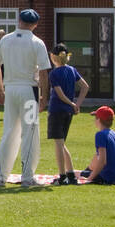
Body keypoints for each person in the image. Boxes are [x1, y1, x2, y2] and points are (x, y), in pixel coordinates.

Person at [0, 8, 51, 188]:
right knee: (30, 134)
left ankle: (1, 176)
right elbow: (43, 73)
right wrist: (44, 97)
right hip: (29, 90)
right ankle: (27, 177)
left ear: (19, 21)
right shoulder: (37, 42)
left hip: (10, 89)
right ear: (35, 25)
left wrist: (0, 90)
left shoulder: (6, 40)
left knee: (9, 132)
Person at [47, 44, 90, 184]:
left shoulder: (54, 74)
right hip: (68, 112)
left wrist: (72, 104)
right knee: (61, 142)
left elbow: (59, 94)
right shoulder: (72, 70)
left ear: (53, 57)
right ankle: (70, 174)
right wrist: (77, 104)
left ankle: (62, 176)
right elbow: (85, 86)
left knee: (59, 144)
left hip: (57, 110)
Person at [82, 106, 115, 185]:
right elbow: (97, 157)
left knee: (76, 174)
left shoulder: (100, 135)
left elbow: (102, 161)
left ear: (98, 120)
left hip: (111, 176)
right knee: (84, 173)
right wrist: (88, 170)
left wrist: (89, 179)